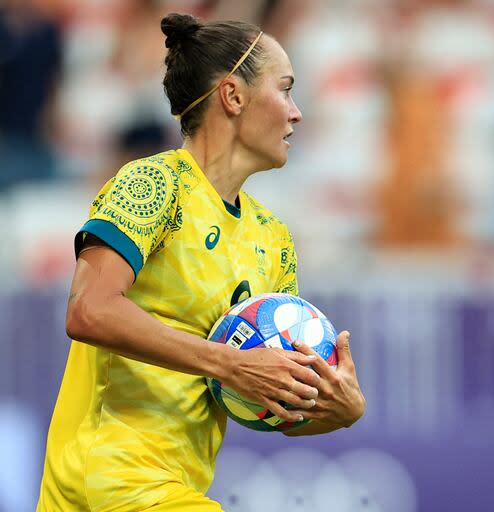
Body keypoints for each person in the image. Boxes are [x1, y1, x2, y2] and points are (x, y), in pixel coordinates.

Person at [37, 13, 366, 512]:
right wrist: (232, 364)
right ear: (233, 96)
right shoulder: (151, 185)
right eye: (286, 89)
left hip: (174, 490)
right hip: (106, 479)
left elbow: (267, 396)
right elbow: (89, 310)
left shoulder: (273, 240)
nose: (297, 113)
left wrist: (335, 408)